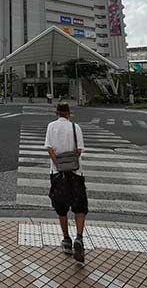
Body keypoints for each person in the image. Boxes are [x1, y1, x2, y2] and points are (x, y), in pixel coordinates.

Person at [44, 102, 87, 263]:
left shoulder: (51, 126)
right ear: (69, 114)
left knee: (61, 207)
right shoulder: (76, 128)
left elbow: (49, 148)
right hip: (76, 172)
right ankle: (79, 237)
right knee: (80, 206)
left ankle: (67, 240)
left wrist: (58, 165)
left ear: (57, 113)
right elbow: (79, 150)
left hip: (57, 173)